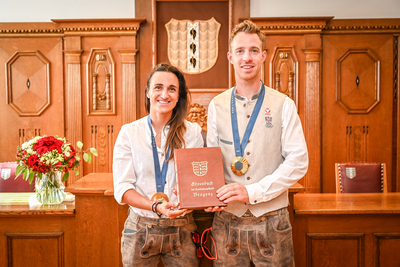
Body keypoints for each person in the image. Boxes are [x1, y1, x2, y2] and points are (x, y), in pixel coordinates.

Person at [205, 20, 309, 266]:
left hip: (272, 222)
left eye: (253, 50)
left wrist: (252, 192)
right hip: (226, 222)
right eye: (240, 51)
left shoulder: (284, 104)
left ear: (264, 56)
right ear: (230, 57)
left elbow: (298, 162)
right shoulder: (216, 106)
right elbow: (210, 161)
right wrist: (202, 193)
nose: (246, 58)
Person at [113, 63, 204, 267]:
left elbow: (198, 180)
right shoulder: (129, 133)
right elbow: (123, 189)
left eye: (172, 89)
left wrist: (189, 194)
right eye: (158, 87)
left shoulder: (193, 132)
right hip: (140, 229)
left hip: (183, 227)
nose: (165, 94)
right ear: (148, 92)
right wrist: (156, 206)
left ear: (179, 95)